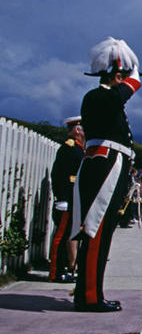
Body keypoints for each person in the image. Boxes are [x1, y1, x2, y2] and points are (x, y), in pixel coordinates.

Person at [71, 37, 142, 312]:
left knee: (102, 230)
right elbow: (120, 94)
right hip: (104, 165)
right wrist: (132, 79)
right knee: (96, 229)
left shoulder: (108, 100)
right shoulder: (98, 96)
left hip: (111, 164)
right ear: (116, 75)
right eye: (123, 77)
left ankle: (90, 292)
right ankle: (89, 296)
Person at [48, 116, 85, 282]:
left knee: (68, 235)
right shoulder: (69, 149)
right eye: (84, 128)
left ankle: (64, 269)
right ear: (77, 129)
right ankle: (56, 272)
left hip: (72, 200)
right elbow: (58, 175)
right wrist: (61, 198)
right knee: (60, 237)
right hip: (66, 200)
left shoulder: (78, 149)